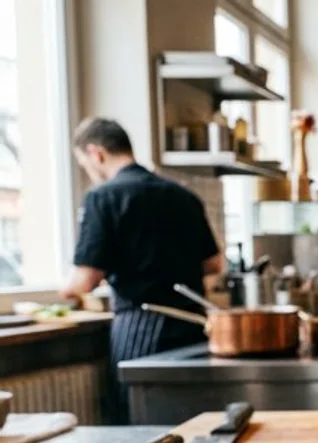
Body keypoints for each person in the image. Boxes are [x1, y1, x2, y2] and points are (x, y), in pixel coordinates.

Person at [62, 117, 223, 423]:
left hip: (141, 328)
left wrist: (63, 293)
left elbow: (85, 280)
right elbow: (213, 263)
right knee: (196, 422)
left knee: (141, 425)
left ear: (96, 153)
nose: (89, 172)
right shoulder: (182, 195)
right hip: (193, 328)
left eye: (85, 164)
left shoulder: (103, 197)